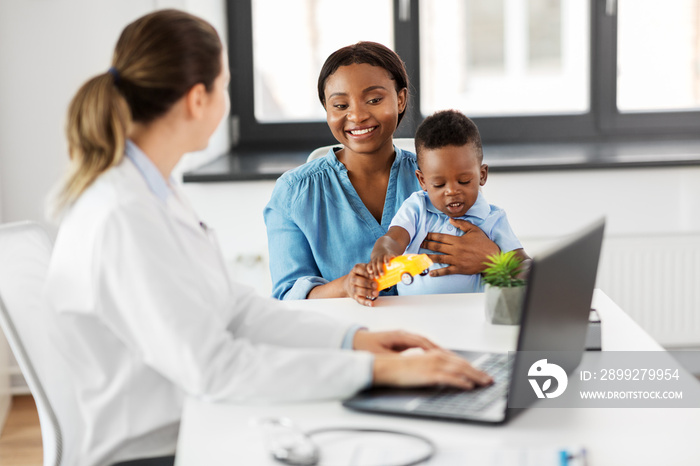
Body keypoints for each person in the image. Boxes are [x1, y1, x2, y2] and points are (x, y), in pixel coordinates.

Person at [43, 11, 491, 466]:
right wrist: (381, 370)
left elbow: (234, 308)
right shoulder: (124, 215)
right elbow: (217, 368)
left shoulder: (152, 193)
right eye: (225, 86)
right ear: (199, 99)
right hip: (159, 448)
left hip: (198, 418)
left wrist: (355, 341)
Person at [264, 42, 500, 306]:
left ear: (400, 100)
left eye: (374, 100)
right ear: (326, 109)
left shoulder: (443, 180)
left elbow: (493, 254)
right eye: (340, 105)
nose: (357, 115)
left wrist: (494, 257)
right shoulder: (294, 193)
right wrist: (344, 286)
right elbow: (287, 295)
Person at [367, 110, 531, 297]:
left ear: (482, 175)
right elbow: (394, 238)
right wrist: (384, 252)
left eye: (464, 181)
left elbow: (525, 269)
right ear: (422, 181)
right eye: (439, 184)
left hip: (471, 313)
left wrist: (496, 261)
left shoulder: (493, 218)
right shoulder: (417, 207)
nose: (452, 191)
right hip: (413, 312)